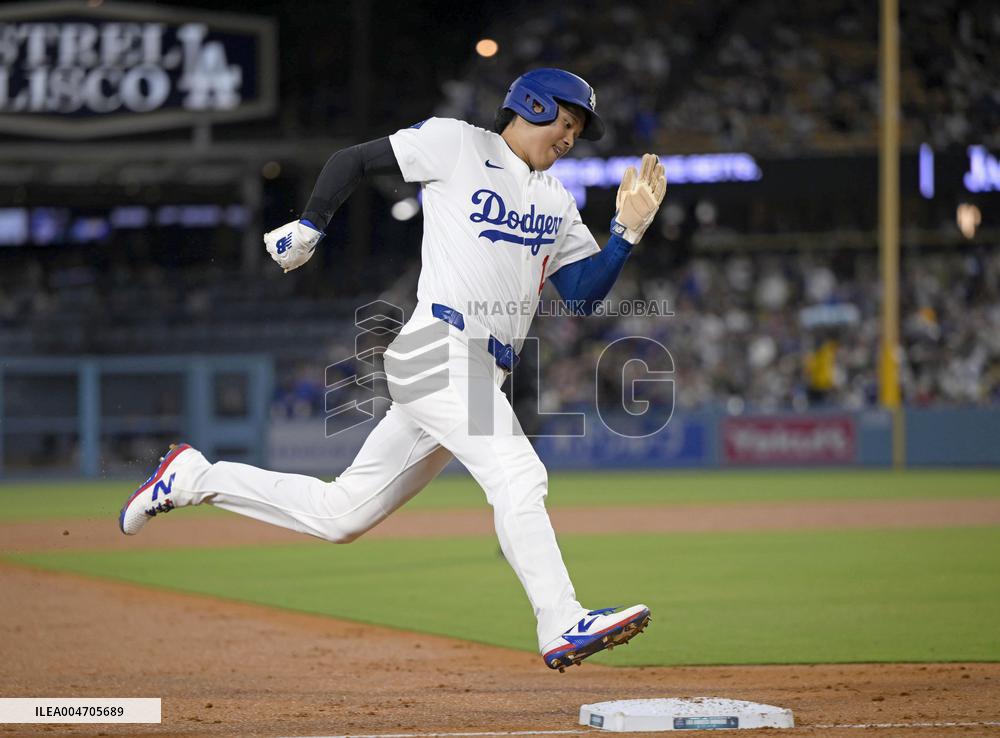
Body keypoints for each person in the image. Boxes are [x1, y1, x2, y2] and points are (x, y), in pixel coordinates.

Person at [119, 68, 667, 672]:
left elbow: (582, 297)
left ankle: (193, 477)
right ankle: (560, 618)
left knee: (342, 514)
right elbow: (351, 161)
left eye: (578, 131)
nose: (570, 138)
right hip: (439, 346)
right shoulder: (459, 143)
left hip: (481, 372)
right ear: (531, 104)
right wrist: (311, 225)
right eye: (567, 123)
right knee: (517, 471)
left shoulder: (556, 199)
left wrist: (625, 233)